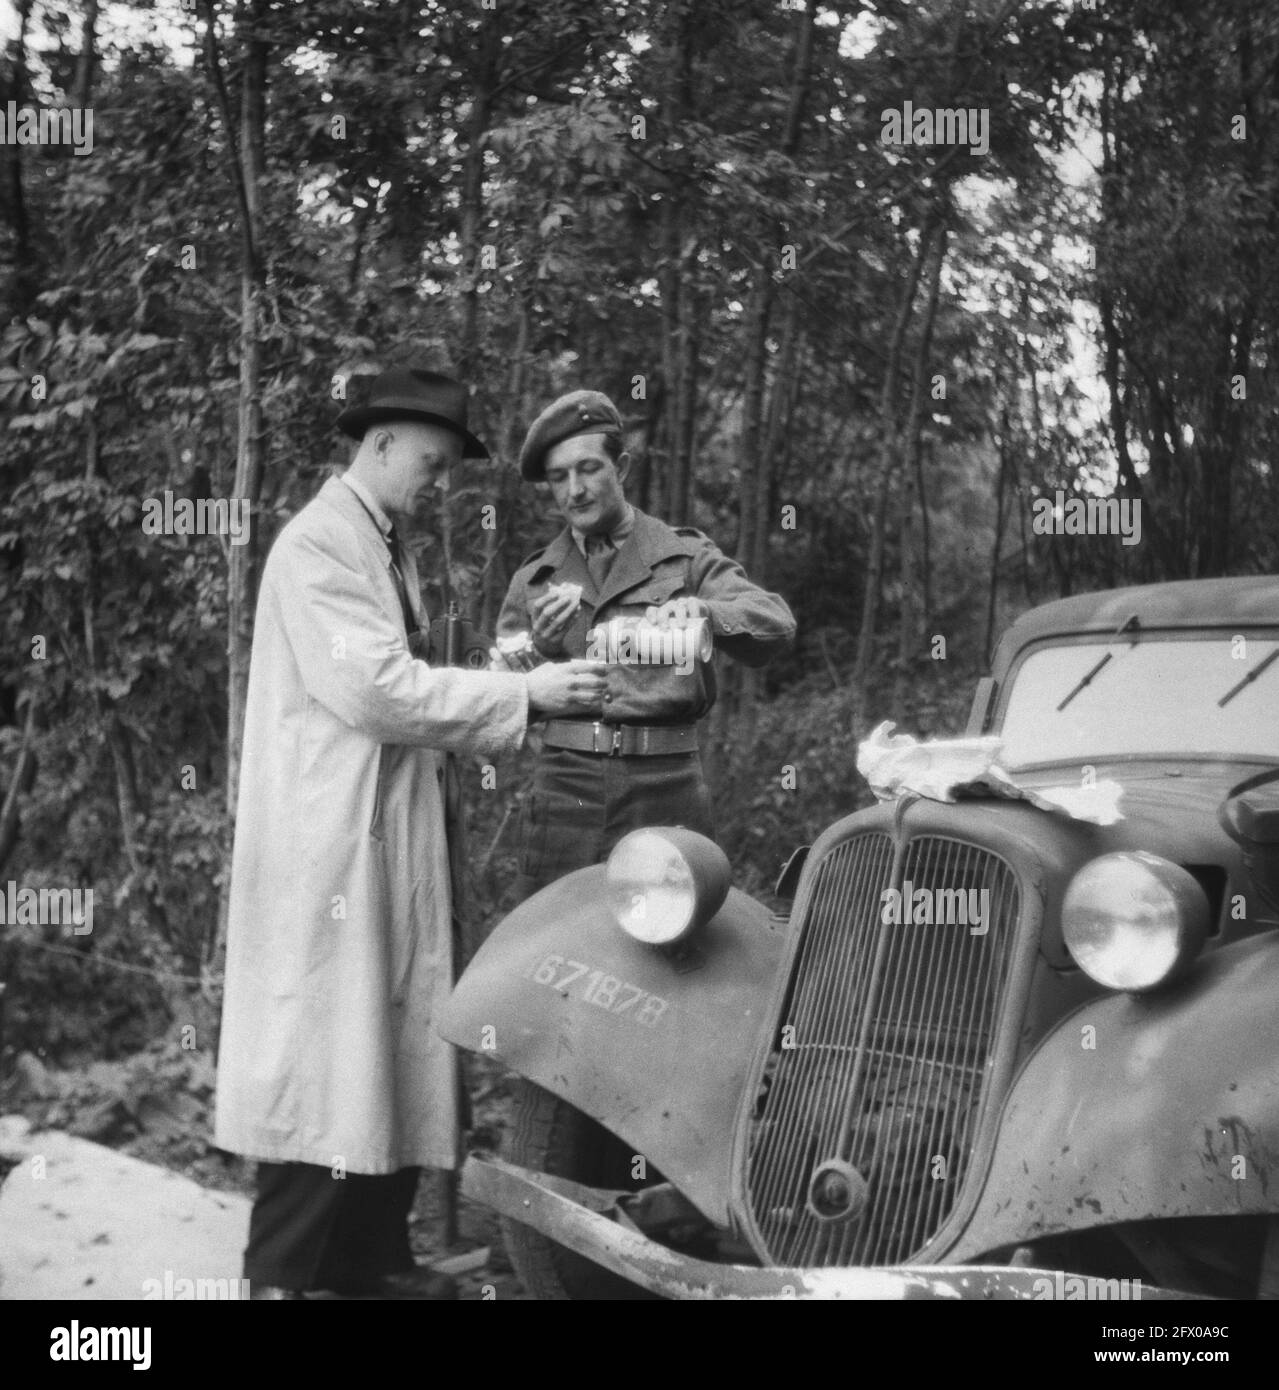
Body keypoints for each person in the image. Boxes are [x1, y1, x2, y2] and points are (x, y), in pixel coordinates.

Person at [214, 368, 606, 1300]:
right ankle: (282, 1278)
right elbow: (377, 691)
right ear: (381, 444)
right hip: (331, 841)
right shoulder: (319, 545)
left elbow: (411, 673)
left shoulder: (380, 544)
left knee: (380, 1050)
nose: (437, 486)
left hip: (380, 836)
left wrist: (522, 656)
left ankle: (371, 1266)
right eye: (430, 466)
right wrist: (524, 695)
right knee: (324, 1059)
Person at [497, 389, 796, 899]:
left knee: (672, 951)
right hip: (564, 791)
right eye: (558, 477)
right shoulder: (535, 579)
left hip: (666, 788)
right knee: (550, 943)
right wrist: (540, 652)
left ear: (623, 468)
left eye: (589, 469)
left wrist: (706, 613)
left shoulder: (684, 558)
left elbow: (774, 625)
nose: (575, 490)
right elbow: (497, 696)